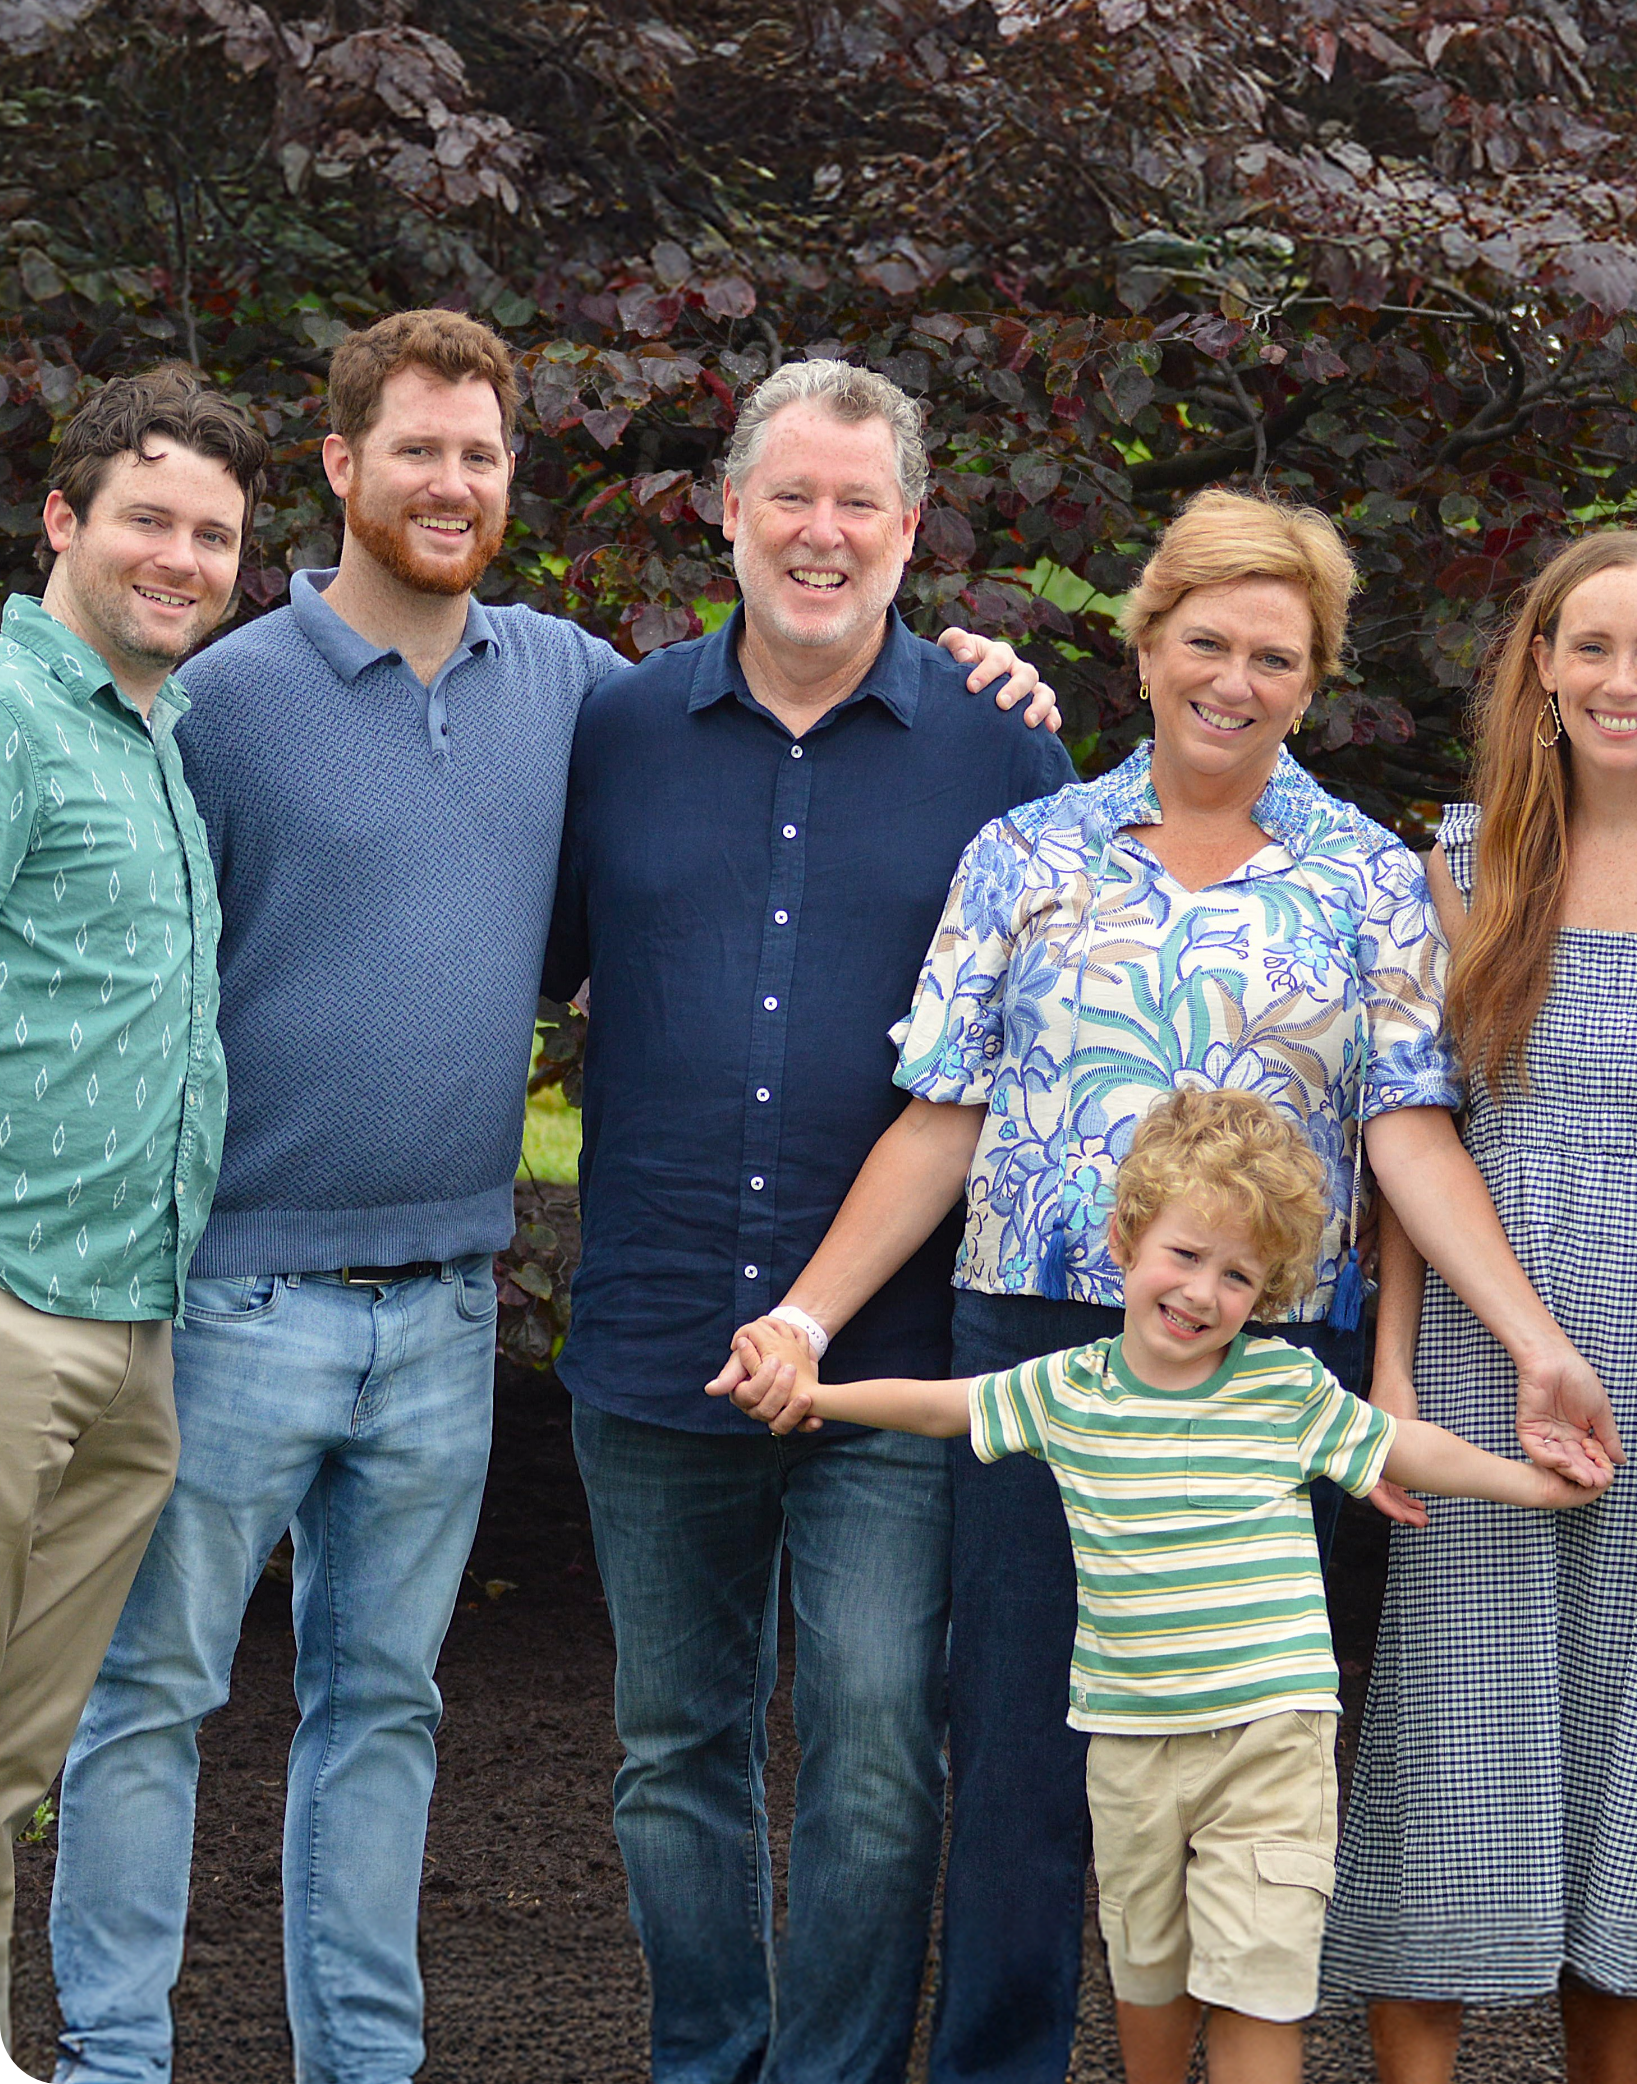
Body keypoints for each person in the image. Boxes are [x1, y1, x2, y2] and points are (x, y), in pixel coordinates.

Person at [49, 322, 1050, 2084]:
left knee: (468, 1717)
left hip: (655, 1324)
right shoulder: (371, 699)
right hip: (388, 1304)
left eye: (482, 455)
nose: (452, 483)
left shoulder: (714, 715)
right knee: (212, 1706)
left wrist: (1009, 673)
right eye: (418, 450)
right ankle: (136, 2053)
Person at [719, 485, 1624, 2084]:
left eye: (1277, 653)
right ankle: (1001, 2059)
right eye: (1208, 639)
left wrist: (1528, 1340)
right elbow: (946, 1114)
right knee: (1017, 1746)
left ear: (1314, 675)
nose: (1238, 678)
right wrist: (808, 1311)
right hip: (1044, 1334)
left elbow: (1406, 1132)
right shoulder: (1028, 851)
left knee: (1244, 1747)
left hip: (1272, 1361)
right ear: (1146, 647)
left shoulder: (1363, 877)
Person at [542, 356, 1076, 2084]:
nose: (822, 531)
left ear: (912, 530)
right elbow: (524, 965)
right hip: (654, 1322)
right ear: (727, 510)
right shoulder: (615, 729)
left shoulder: (1004, 751)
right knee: (669, 1744)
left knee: (868, 1743)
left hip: (893, 1360)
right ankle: (710, 2056)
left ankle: (835, 2072)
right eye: (791, 494)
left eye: (860, 501)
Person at [734, 1085, 1597, 2084]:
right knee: (1149, 1986)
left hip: (1270, 1741)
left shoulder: (1284, 1389)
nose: (1201, 1294)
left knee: (1260, 1984)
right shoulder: (1067, 1389)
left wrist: (1529, 1481)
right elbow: (937, 1406)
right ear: (1128, 1241)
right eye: (1185, 1257)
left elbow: (1410, 1446)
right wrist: (815, 1392)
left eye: (1238, 1276)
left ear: (1267, 1291)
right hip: (1131, 1747)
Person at [1324, 529, 1637, 2084]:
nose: (1619, 679)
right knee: (1451, 1737)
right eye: (1588, 645)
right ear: (1538, 663)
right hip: (1484, 1352)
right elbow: (1413, 1141)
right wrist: (1393, 1379)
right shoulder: (1462, 866)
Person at [0, 364, 262, 2064]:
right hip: (13, 1299)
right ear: (63, 519)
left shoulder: (151, 726)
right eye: (150, 518)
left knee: (15, 1760)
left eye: (216, 534)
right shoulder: (13, 712)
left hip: (129, 1318)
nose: (183, 556)